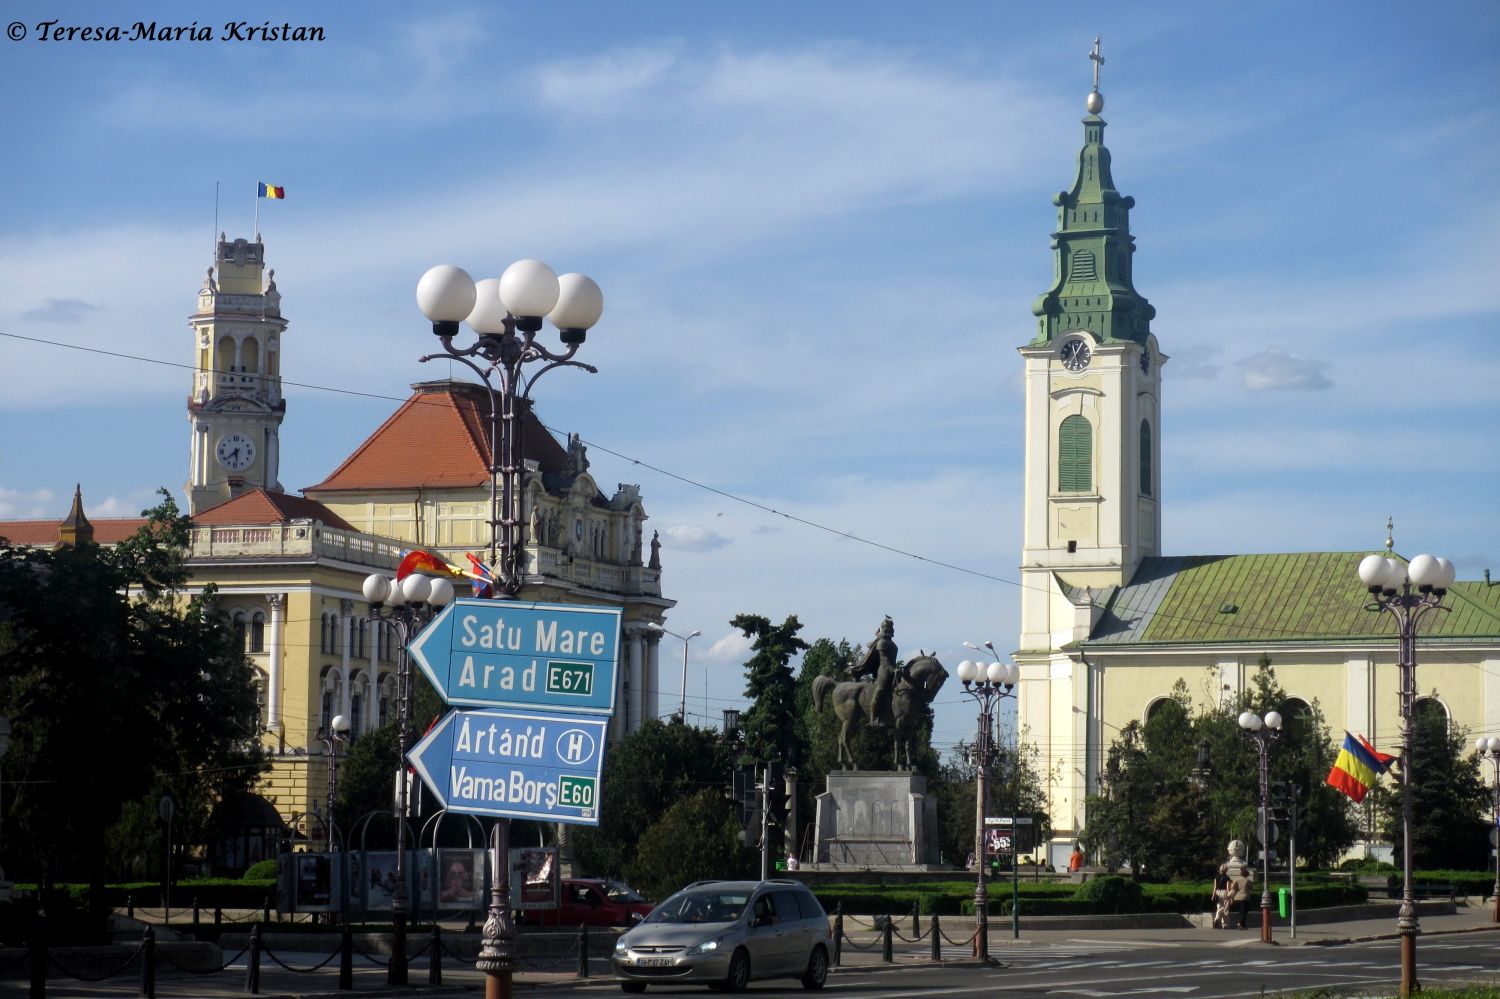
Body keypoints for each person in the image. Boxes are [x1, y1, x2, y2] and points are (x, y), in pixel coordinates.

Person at [1218, 839, 1255, 929]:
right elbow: (1251, 889)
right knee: (1243, 912)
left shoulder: (1236, 880)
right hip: (1245, 898)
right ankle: (1240, 923)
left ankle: (1219, 916)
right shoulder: (1248, 881)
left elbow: (1233, 888)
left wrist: (1230, 896)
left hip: (1236, 897)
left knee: (1228, 907)